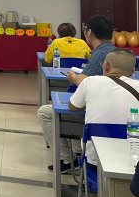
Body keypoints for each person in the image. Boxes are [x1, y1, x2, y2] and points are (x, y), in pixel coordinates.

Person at [37, 14, 116, 172]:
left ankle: (67, 159)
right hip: (110, 108)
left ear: (90, 32)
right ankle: (77, 150)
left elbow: (85, 82)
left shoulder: (100, 54)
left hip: (94, 111)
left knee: (45, 112)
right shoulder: (114, 51)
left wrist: (74, 78)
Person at [67, 49, 139, 168]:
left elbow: (73, 106)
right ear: (132, 71)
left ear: (107, 67)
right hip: (132, 161)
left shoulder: (90, 82)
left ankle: (67, 160)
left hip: (94, 159)